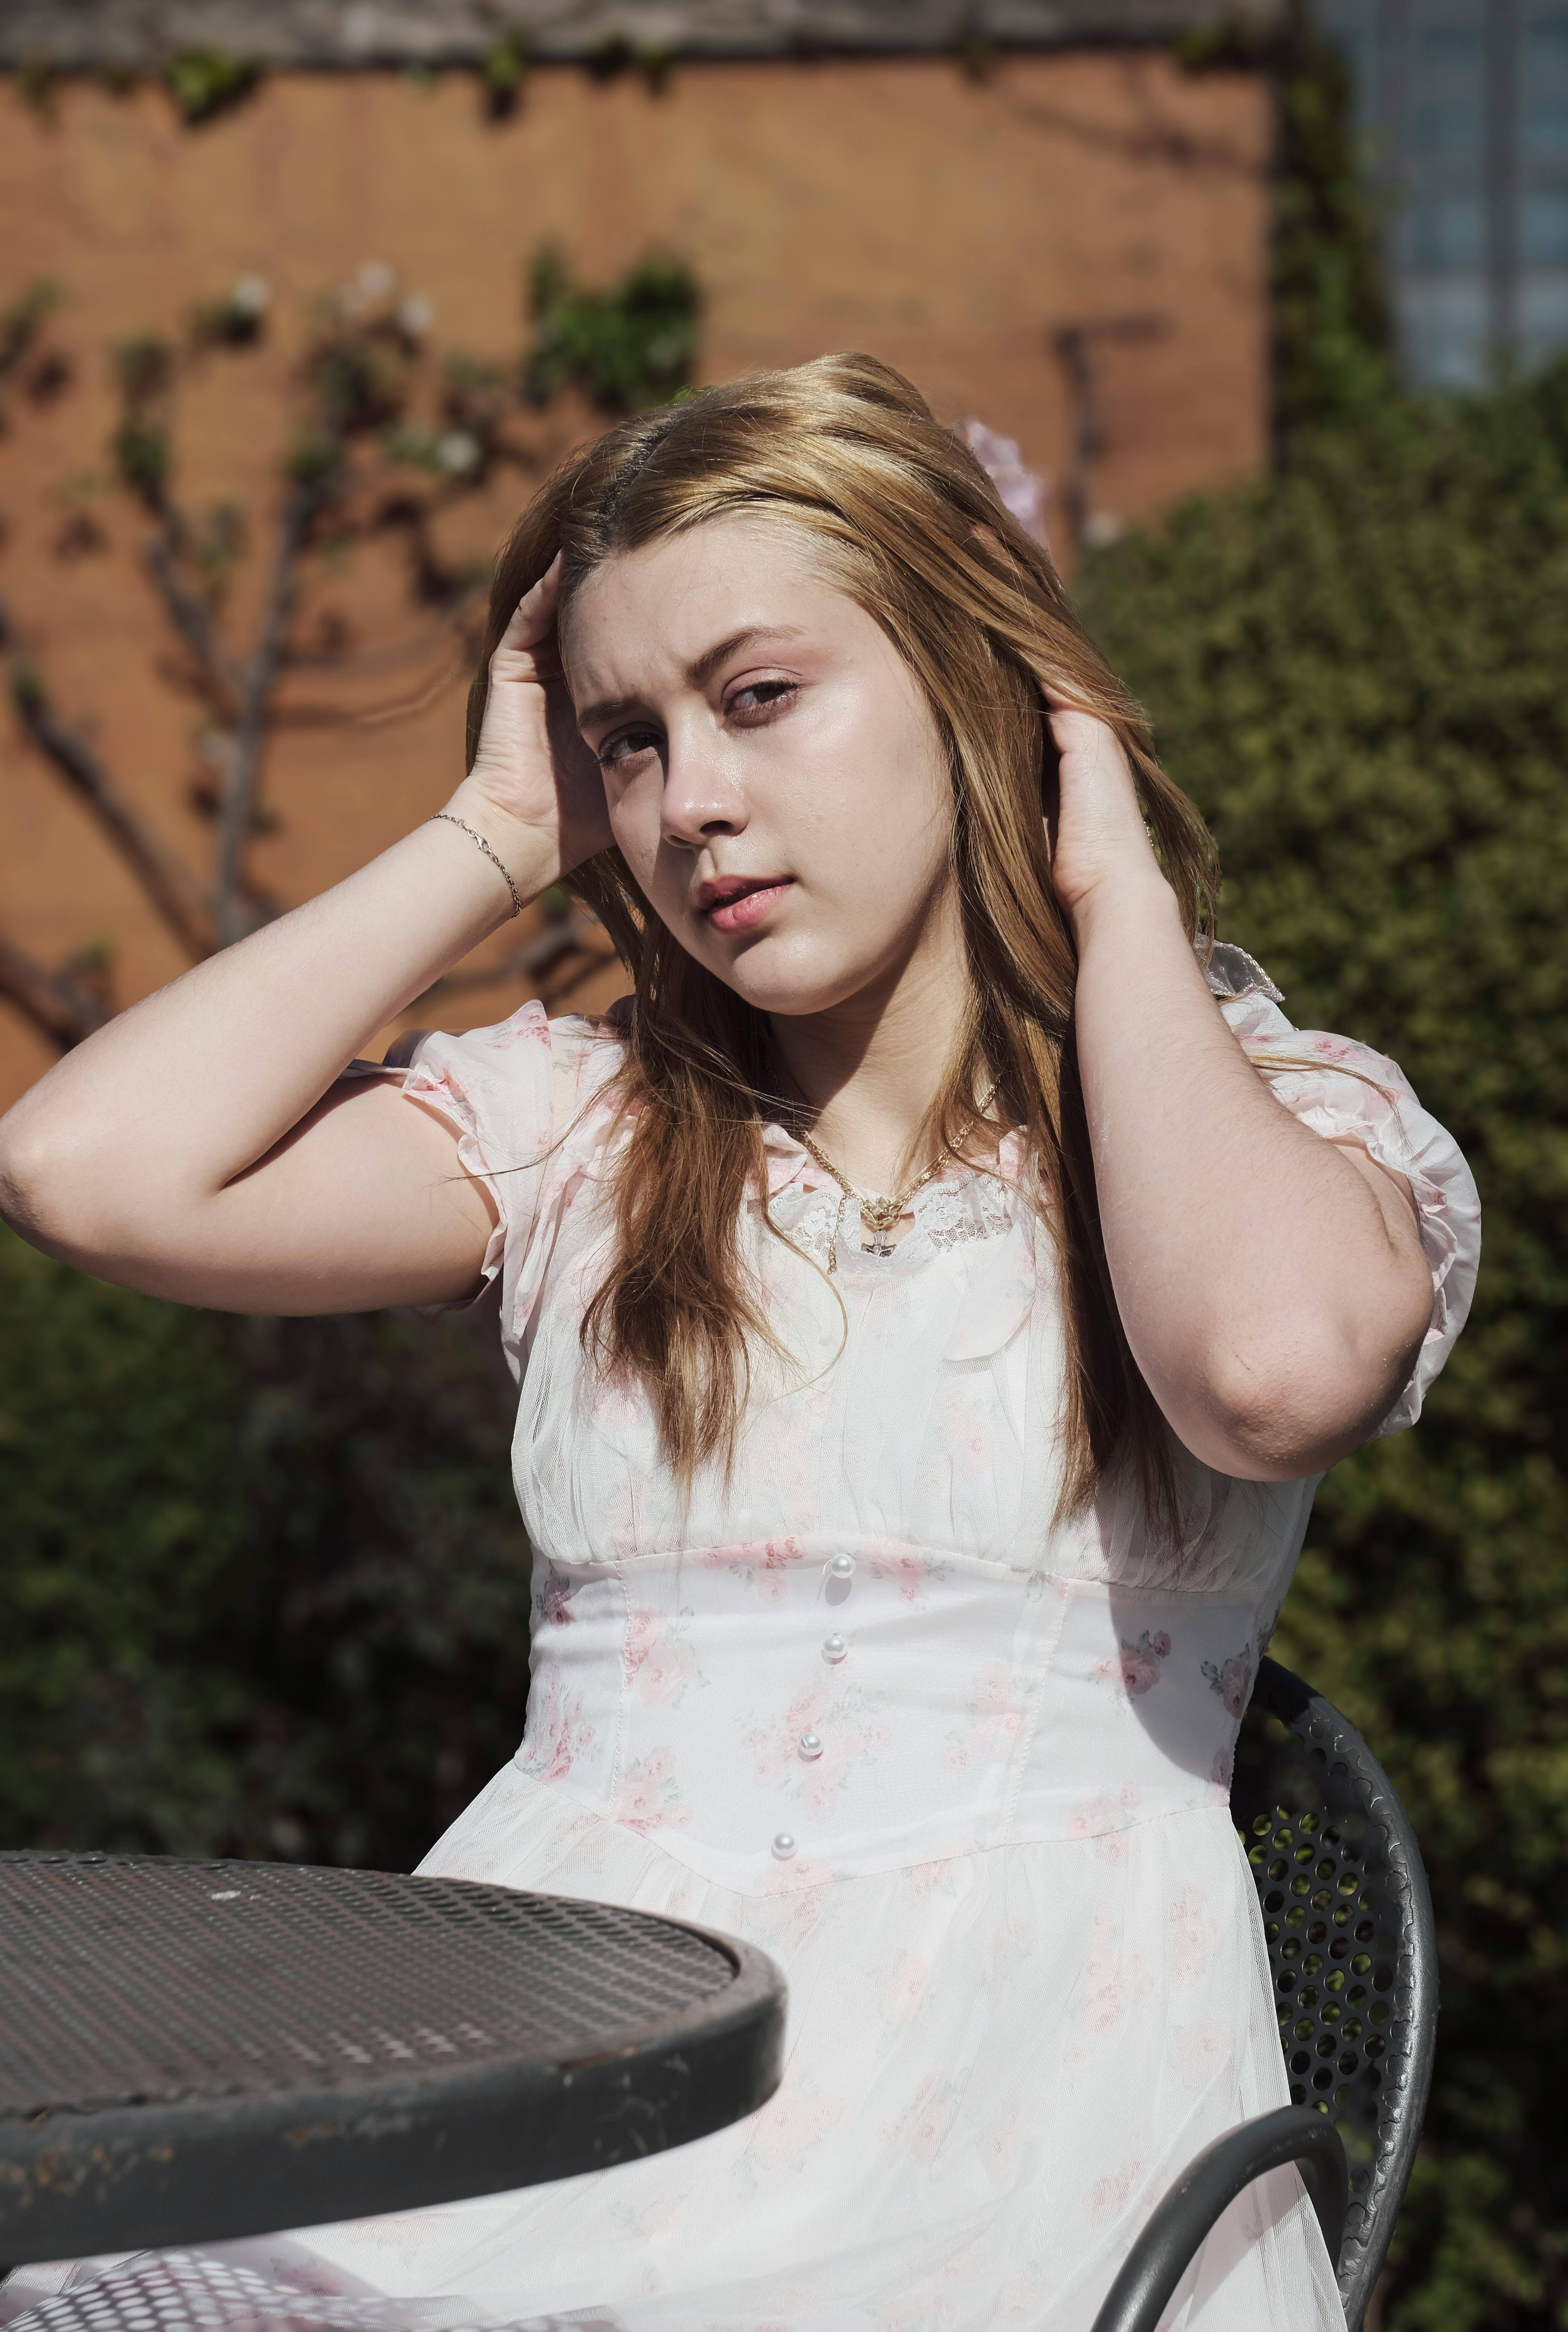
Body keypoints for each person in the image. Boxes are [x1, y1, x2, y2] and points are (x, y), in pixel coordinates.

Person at [0, 355, 1479, 2332]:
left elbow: (1277, 1366)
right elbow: (87, 1169)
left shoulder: (1274, 1127)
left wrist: (1107, 878)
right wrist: (498, 830)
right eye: (630, 738)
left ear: (971, 681)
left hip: (1001, 2128)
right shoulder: (580, 1136)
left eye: (762, 697)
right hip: (548, 2073)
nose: (692, 800)